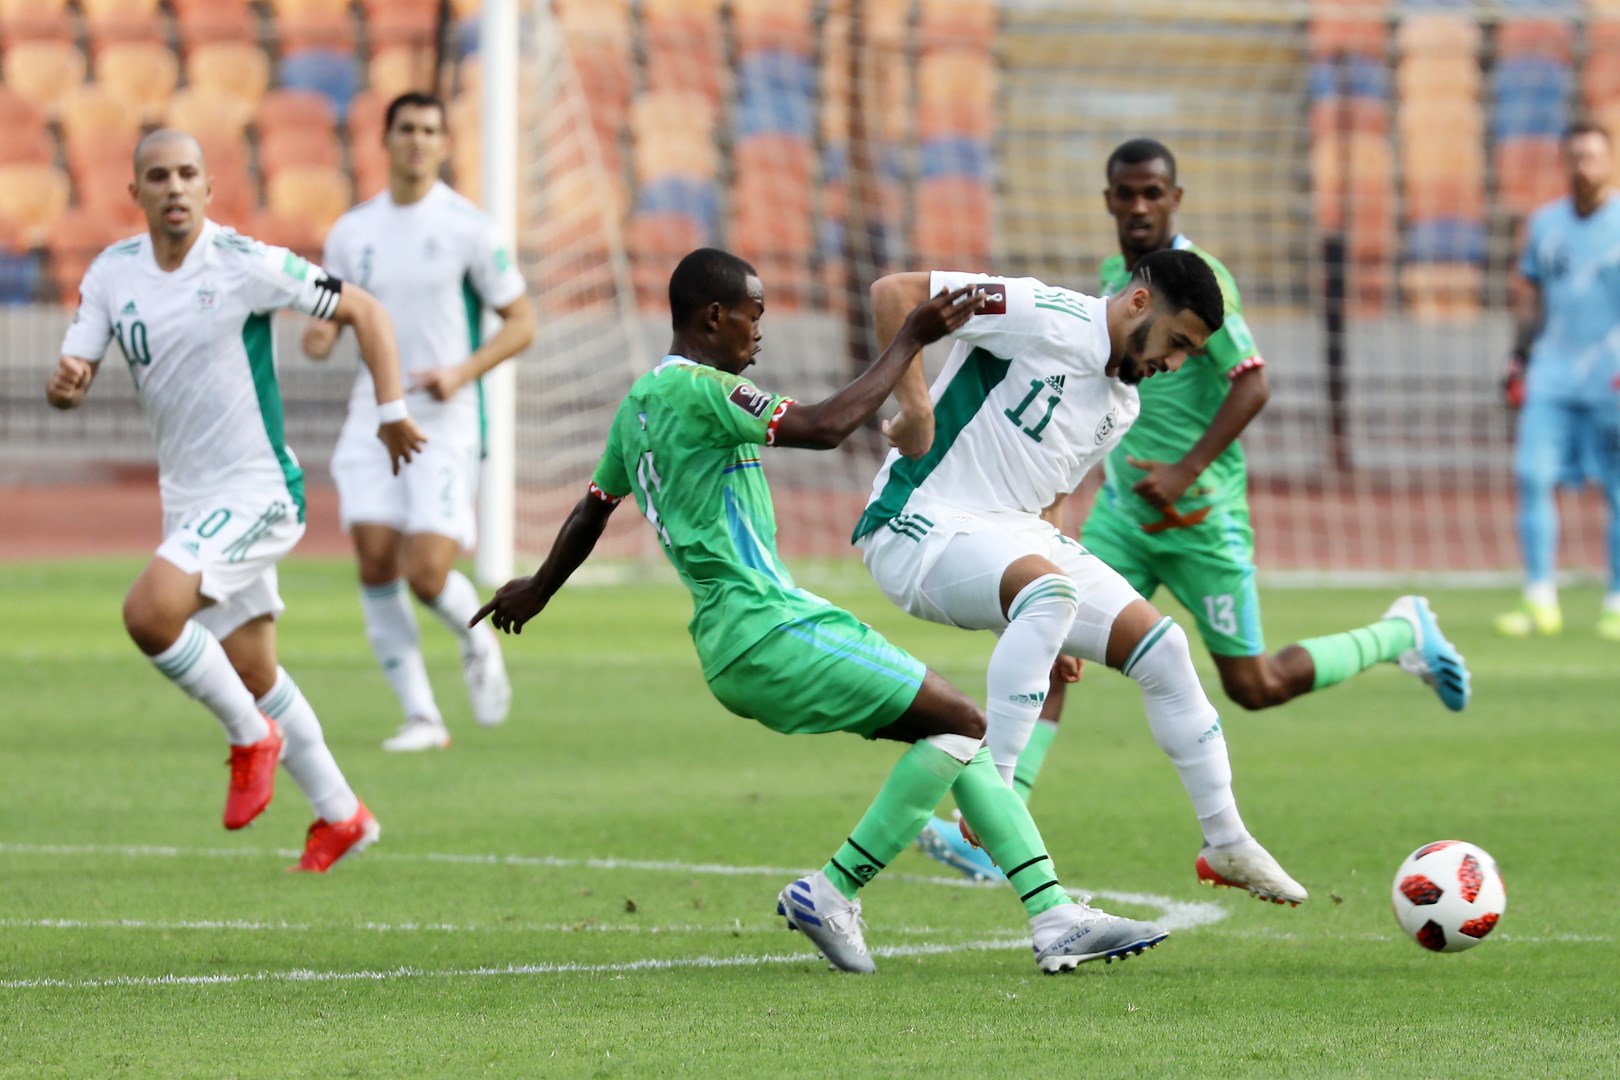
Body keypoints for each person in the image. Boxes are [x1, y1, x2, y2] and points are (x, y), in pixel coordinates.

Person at [473, 248, 1169, 974]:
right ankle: (834, 891)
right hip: (768, 628)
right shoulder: (702, 390)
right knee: (963, 724)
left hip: (740, 639)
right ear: (713, 316)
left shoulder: (637, 407)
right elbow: (824, 425)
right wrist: (910, 338)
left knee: (951, 735)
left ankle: (1052, 913)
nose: (759, 332)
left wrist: (540, 587)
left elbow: (593, 507)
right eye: (752, 315)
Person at [908, 139, 1475, 881]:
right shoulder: (1117, 284)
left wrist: (1185, 471)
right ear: (1109, 201)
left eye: (1154, 193)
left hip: (1200, 517)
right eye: (1127, 193)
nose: (1139, 206)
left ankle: (1401, 631)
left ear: (1176, 199)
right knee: (1046, 638)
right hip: (1124, 513)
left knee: (1253, 686)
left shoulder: (1206, 284)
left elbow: (1253, 382)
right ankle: (993, 830)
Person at [857, 245, 1312, 905]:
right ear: (1138, 303)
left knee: (1164, 648)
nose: (1175, 365)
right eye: (1177, 343)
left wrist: (1049, 627)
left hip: (1006, 535)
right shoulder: (1041, 312)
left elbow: (1047, 502)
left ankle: (1226, 840)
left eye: (1189, 355)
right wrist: (917, 405)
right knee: (1050, 595)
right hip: (916, 522)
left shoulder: (1122, 405)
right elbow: (895, 292)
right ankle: (992, 797)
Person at [45, 129, 426, 870]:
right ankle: (342, 815)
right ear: (136, 191)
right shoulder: (112, 273)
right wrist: (66, 386)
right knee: (253, 671)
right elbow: (72, 376)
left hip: (258, 491)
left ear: (208, 187)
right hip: (189, 501)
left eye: (188, 174)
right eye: (160, 176)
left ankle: (251, 737)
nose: (175, 187)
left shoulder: (243, 262)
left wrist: (391, 411)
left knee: (149, 613)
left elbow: (367, 312)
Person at [303, 92, 536, 751]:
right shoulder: (352, 231)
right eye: (406, 128)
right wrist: (319, 335)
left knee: (426, 573)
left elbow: (522, 323)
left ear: (444, 144)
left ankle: (477, 639)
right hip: (373, 413)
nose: (417, 140)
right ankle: (422, 717)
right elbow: (331, 317)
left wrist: (460, 373)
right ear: (385, 139)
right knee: (376, 561)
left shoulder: (468, 228)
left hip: (445, 417)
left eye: (430, 130)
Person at [1496, 121, 1620, 640]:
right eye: (1576, 157)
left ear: (1610, 162)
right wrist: (1518, 359)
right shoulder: (1546, 224)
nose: (1584, 166)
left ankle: (1616, 603)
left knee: (1616, 489)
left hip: (1612, 378)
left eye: (1593, 156)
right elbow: (1531, 297)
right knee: (1531, 474)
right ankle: (1539, 598)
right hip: (1551, 374)